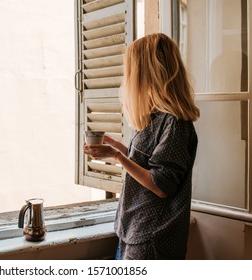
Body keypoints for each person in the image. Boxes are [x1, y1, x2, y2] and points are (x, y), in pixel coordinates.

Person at [84, 33, 200, 260]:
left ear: (148, 72)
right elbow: (149, 165)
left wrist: (118, 156)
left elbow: (160, 184)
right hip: (134, 230)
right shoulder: (154, 116)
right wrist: (118, 148)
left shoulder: (175, 122)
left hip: (153, 237)